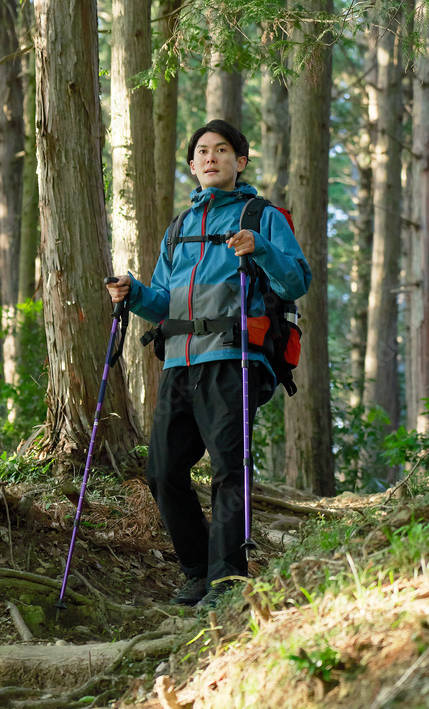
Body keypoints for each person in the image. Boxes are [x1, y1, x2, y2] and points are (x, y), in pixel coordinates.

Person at [106, 120, 311, 609]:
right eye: (203, 151)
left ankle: (225, 582)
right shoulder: (178, 228)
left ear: (241, 162)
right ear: (193, 166)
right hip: (179, 363)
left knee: (228, 469)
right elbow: (165, 302)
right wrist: (134, 294)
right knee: (161, 471)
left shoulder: (260, 215)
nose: (212, 157)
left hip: (234, 361)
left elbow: (296, 280)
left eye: (223, 150)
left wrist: (257, 247)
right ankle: (198, 571)